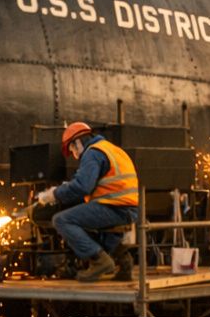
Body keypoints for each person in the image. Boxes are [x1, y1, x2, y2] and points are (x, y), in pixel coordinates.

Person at [37, 121, 140, 282]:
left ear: (78, 142)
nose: (74, 154)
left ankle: (99, 261)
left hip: (114, 207)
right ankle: (125, 264)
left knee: (61, 220)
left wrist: (54, 194)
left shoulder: (92, 153)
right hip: (128, 208)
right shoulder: (111, 148)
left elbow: (82, 186)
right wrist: (67, 188)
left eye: (72, 148)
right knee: (90, 223)